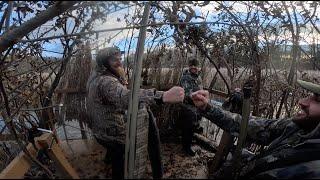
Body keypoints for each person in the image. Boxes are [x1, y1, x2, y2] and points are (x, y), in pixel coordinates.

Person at [86, 46, 185, 179]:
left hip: (99, 130)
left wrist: (121, 80)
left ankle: (110, 159)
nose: (120, 62)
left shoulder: (95, 77)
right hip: (110, 134)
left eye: (120, 59)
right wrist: (162, 96)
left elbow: (113, 100)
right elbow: (126, 97)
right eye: (114, 60)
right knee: (122, 154)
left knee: (117, 147)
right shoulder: (106, 81)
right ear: (104, 63)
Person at [191, 79, 320, 179]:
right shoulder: (297, 127)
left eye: (317, 99)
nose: (302, 102)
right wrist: (207, 108)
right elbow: (249, 125)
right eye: (310, 95)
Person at [177, 58, 203, 156]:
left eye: (195, 65)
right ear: (189, 66)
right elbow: (187, 94)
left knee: (192, 127)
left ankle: (188, 144)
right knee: (187, 128)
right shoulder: (186, 78)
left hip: (196, 107)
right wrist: (198, 97)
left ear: (198, 67)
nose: (193, 67)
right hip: (187, 107)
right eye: (191, 65)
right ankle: (186, 148)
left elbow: (200, 89)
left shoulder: (198, 77)